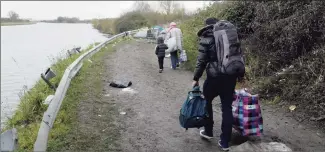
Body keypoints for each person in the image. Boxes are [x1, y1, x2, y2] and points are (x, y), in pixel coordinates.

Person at [192, 17, 243, 151]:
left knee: (206, 102)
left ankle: (208, 132)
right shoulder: (229, 35)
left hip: (214, 77)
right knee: (226, 107)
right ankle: (225, 142)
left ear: (207, 26)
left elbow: (201, 61)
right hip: (230, 76)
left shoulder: (206, 38)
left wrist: (196, 77)